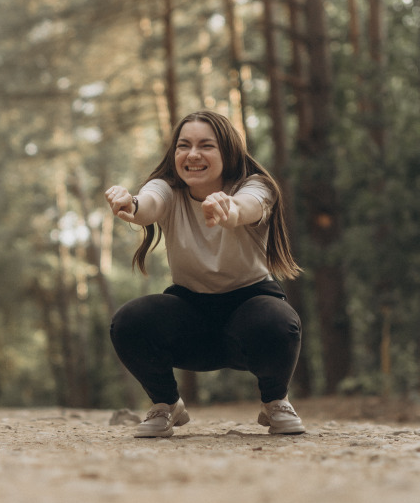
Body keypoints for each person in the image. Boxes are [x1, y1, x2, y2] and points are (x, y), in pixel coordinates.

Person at [105, 110, 304, 438]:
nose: (192, 154)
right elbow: (149, 203)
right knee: (129, 321)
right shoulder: (168, 189)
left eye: (205, 146)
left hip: (251, 309)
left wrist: (230, 209)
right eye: (184, 145)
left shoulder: (256, 186)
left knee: (277, 322)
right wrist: (132, 203)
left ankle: (275, 401)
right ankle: (166, 405)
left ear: (227, 151)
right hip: (191, 315)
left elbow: (249, 206)